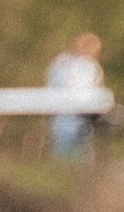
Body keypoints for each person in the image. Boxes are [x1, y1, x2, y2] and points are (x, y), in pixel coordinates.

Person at [42, 28, 113, 162]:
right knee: (65, 150)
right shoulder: (65, 64)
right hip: (66, 114)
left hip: (83, 115)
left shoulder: (87, 65)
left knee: (80, 152)